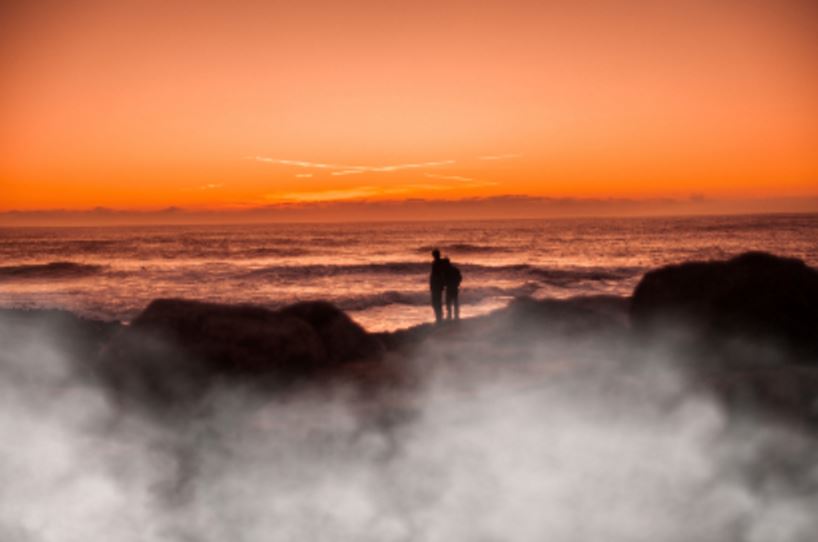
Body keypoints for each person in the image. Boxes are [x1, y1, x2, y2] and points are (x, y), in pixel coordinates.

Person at [429, 249, 446, 323]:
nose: (433, 256)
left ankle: (439, 318)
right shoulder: (439, 263)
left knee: (436, 302)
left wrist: (440, 284)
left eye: (434, 255)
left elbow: (438, 275)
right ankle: (439, 317)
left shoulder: (437, 263)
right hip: (436, 285)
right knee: (437, 302)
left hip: (436, 285)